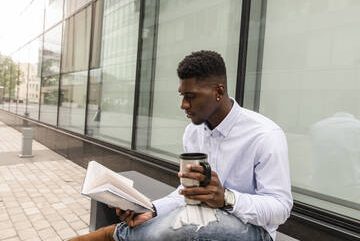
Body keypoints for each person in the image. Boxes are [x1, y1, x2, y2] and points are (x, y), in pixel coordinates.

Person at [70, 50, 293, 241]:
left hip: (254, 232)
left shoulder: (265, 135)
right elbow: (186, 193)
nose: (183, 105)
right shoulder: (193, 132)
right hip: (200, 216)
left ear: (219, 92)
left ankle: (112, 236)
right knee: (185, 221)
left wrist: (226, 197)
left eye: (191, 96)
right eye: (182, 95)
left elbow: (280, 209)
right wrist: (152, 210)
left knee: (188, 223)